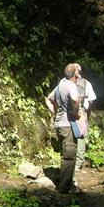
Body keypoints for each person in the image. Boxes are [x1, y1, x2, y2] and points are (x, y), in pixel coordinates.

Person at [45, 63, 81, 193]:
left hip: (59, 124)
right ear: (74, 74)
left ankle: (67, 183)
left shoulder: (61, 84)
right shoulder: (71, 85)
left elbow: (48, 99)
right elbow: (75, 100)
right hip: (67, 125)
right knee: (69, 157)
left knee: (65, 154)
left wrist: (55, 113)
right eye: (77, 71)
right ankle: (65, 188)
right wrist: (76, 113)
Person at [74, 63, 98, 170]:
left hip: (68, 111)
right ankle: (78, 163)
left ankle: (68, 160)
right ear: (80, 71)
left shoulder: (64, 82)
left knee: (69, 134)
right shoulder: (86, 83)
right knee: (81, 136)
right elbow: (91, 100)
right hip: (81, 111)